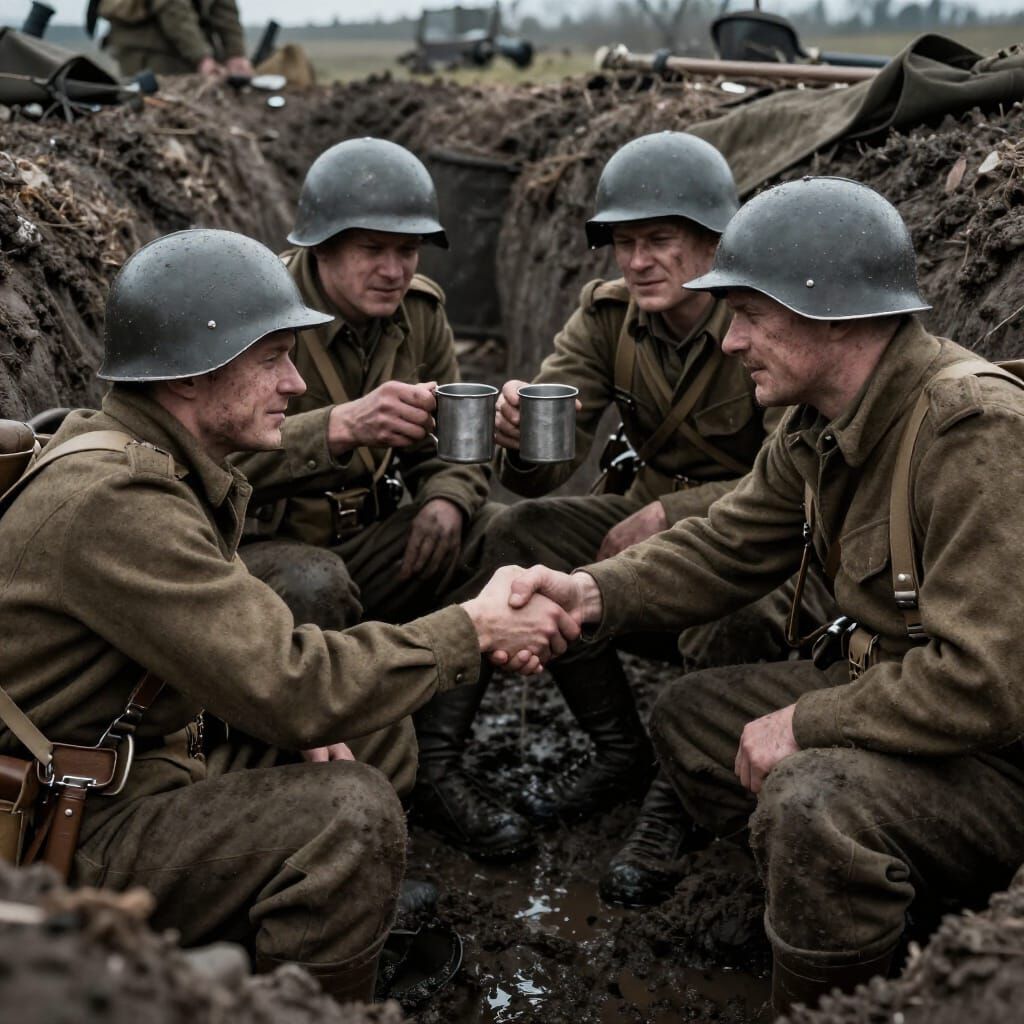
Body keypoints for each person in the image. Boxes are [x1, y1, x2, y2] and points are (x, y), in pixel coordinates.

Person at [0, 229, 577, 1004]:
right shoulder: (119, 500)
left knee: (376, 733)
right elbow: (294, 685)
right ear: (189, 376)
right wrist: (471, 628)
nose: (297, 384)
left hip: (135, 761)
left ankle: (300, 919)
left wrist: (298, 708)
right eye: (272, 359)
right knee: (347, 816)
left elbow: (250, 661)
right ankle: (296, 1006)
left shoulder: (152, 462)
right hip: (63, 829)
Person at [503, 176, 1024, 1016]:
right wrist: (587, 592)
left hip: (995, 762)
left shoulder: (974, 432)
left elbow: (984, 684)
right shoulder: (819, 420)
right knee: (690, 721)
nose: (731, 340)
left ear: (835, 315)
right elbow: (728, 542)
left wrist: (808, 723)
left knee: (807, 799)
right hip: (899, 705)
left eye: (750, 314)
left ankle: (847, 987)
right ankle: (840, 889)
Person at [469, 132, 829, 904]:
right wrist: (519, 434)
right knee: (517, 535)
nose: (637, 262)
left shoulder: (759, 320)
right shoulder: (607, 319)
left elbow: (794, 480)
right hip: (643, 518)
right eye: (624, 243)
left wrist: (675, 509)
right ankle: (617, 750)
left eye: (660, 240)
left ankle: (672, 800)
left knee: (739, 615)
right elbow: (544, 468)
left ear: (713, 240)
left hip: (763, 543)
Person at [232, 138, 534, 862]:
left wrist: (448, 499)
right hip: (260, 560)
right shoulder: (255, 314)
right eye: (373, 249)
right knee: (315, 581)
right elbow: (204, 462)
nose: (395, 270)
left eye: (409, 250)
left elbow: (457, 442)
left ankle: (435, 765)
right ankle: (328, 803)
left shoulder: (418, 314)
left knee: (494, 535)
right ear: (322, 247)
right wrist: (335, 428)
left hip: (368, 541)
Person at [98, 0, 254, 79]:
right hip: (149, 50)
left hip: (186, 47)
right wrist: (202, 58)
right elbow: (174, 9)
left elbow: (224, 8)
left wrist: (236, 54)